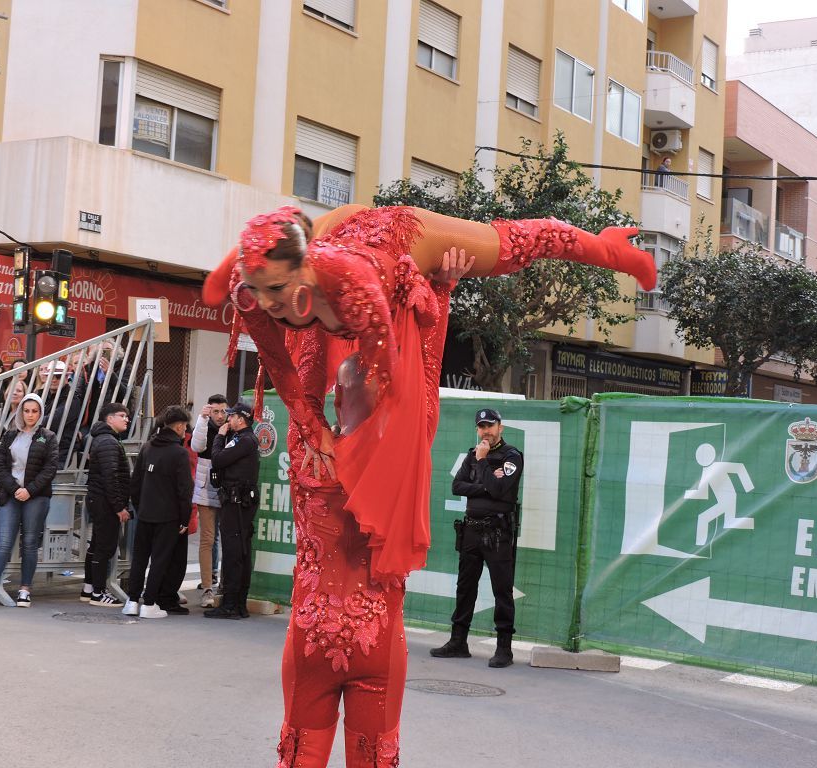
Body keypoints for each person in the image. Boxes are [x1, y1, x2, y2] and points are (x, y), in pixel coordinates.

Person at [201, 203, 655, 765]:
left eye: (274, 291)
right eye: (259, 291)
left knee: (504, 243)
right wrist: (315, 423)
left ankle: (604, 247)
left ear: (300, 272)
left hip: (391, 254)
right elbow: (297, 375)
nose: (266, 304)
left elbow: (400, 383)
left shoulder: (363, 282)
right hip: (326, 246)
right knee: (340, 408)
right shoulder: (252, 289)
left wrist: (430, 299)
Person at [431, 408, 523, 668]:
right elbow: (457, 486)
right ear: (477, 429)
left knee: (501, 590)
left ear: (500, 428)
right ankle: (458, 642)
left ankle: (504, 649)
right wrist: (486, 484)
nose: (486, 431)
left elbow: (500, 490)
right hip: (471, 530)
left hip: (497, 533)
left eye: (490, 426)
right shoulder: (472, 455)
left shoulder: (511, 456)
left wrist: (483, 464)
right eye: (481, 427)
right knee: (465, 587)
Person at [0, 393, 59, 609]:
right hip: (11, 495)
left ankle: (25, 589)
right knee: (3, 544)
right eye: (27, 410)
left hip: (37, 496)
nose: (30, 415)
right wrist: (16, 489)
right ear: (20, 411)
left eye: (35, 411)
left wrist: (29, 490)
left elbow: (50, 468)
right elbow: (0, 466)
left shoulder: (48, 436)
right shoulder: (9, 435)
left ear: (40, 413)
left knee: (30, 544)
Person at [123, 406, 193, 619]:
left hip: (145, 513)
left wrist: (140, 505)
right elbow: (184, 490)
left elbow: (135, 483)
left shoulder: (147, 447)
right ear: (180, 426)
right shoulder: (179, 453)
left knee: (140, 559)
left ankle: (132, 601)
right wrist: (184, 519)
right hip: (168, 516)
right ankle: (150, 603)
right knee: (160, 560)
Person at [204, 401, 260, 621]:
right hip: (237, 501)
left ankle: (231, 605)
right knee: (239, 551)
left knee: (234, 552)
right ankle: (237, 604)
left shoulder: (245, 440)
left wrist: (219, 436)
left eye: (231, 416)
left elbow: (217, 459)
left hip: (237, 503)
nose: (228, 419)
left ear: (241, 419)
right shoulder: (241, 439)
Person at [81, 402, 131, 607]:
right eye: (122, 415)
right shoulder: (109, 441)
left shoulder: (103, 439)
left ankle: (89, 588)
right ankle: (98, 593)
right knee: (105, 547)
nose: (126, 419)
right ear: (109, 419)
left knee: (97, 545)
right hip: (105, 502)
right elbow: (111, 477)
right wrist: (119, 506)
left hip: (99, 499)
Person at [190, 394, 228, 607]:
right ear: (209, 411)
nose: (220, 415)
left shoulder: (231, 429)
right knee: (208, 538)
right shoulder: (204, 426)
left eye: (223, 411)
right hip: (207, 488)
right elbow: (197, 446)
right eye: (216, 411)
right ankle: (207, 588)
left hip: (227, 488)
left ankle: (221, 583)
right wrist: (202, 420)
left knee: (225, 538)